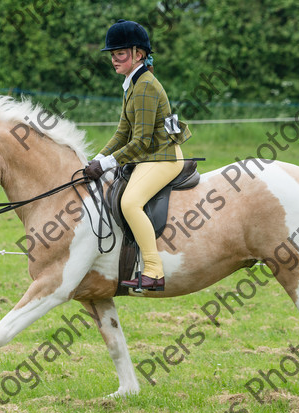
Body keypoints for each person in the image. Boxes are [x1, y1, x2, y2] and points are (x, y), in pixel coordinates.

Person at [83, 19, 191, 292]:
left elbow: (141, 141)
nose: (114, 59)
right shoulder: (132, 84)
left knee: (130, 202)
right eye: (112, 54)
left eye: (120, 54)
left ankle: (153, 270)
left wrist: (107, 163)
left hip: (162, 157)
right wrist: (96, 160)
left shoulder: (145, 86)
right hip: (149, 156)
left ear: (138, 54)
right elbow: (122, 134)